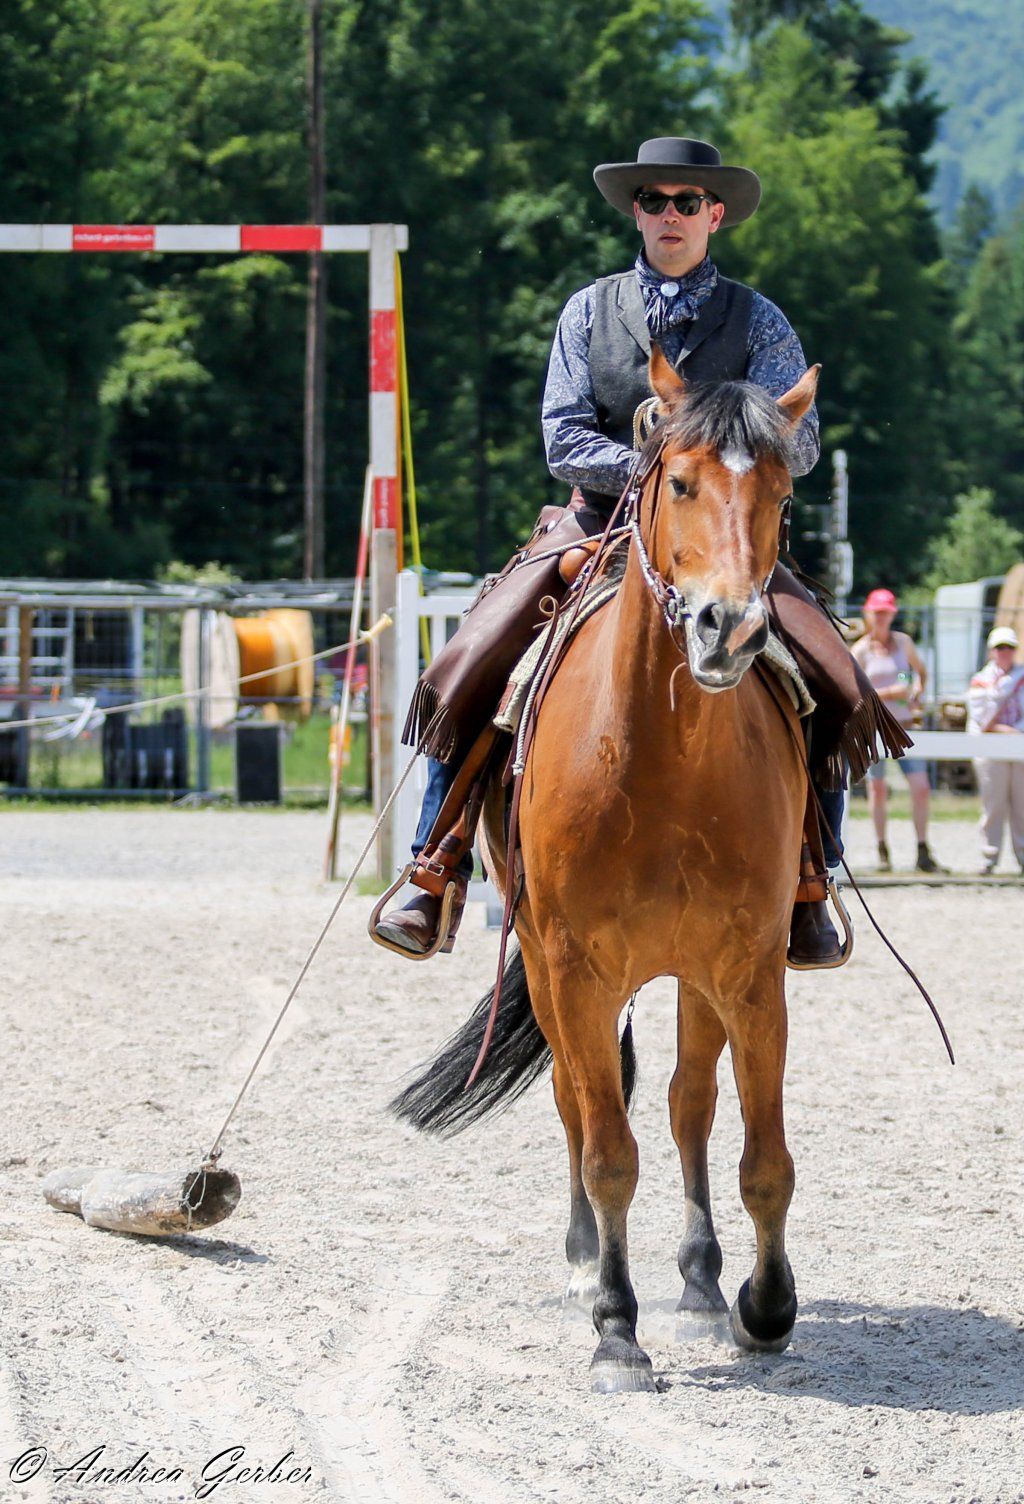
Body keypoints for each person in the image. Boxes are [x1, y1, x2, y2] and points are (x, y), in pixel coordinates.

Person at [374, 138, 905, 964]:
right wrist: (656, 472)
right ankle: (432, 866)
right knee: (475, 652)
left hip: (725, 532)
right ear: (636, 211)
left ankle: (810, 878)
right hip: (602, 523)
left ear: (714, 215)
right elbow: (561, 435)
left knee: (835, 676)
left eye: (686, 202)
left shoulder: (761, 320)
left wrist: (719, 468)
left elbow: (799, 447)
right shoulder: (588, 311)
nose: (669, 214)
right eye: (654, 200)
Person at [852, 588, 946, 873]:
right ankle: (882, 848)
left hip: (904, 726)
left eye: (886, 613)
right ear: (868, 615)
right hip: (875, 729)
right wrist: (892, 692)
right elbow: (856, 693)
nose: (881, 618)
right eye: (877, 613)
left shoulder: (903, 643)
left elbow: (917, 672)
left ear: (892, 614)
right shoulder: (860, 650)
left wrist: (916, 691)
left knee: (921, 787)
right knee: (877, 789)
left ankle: (922, 847)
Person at [967, 626, 1024, 875]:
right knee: (993, 804)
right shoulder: (980, 680)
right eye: (1000, 648)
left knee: (1021, 804)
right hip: (990, 747)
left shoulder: (1021, 677)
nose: (1005, 652)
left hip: (1019, 745)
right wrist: (1006, 730)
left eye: (1009, 648)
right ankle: (990, 856)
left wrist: (1015, 732)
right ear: (992, 651)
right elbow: (980, 717)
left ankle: (1022, 857)